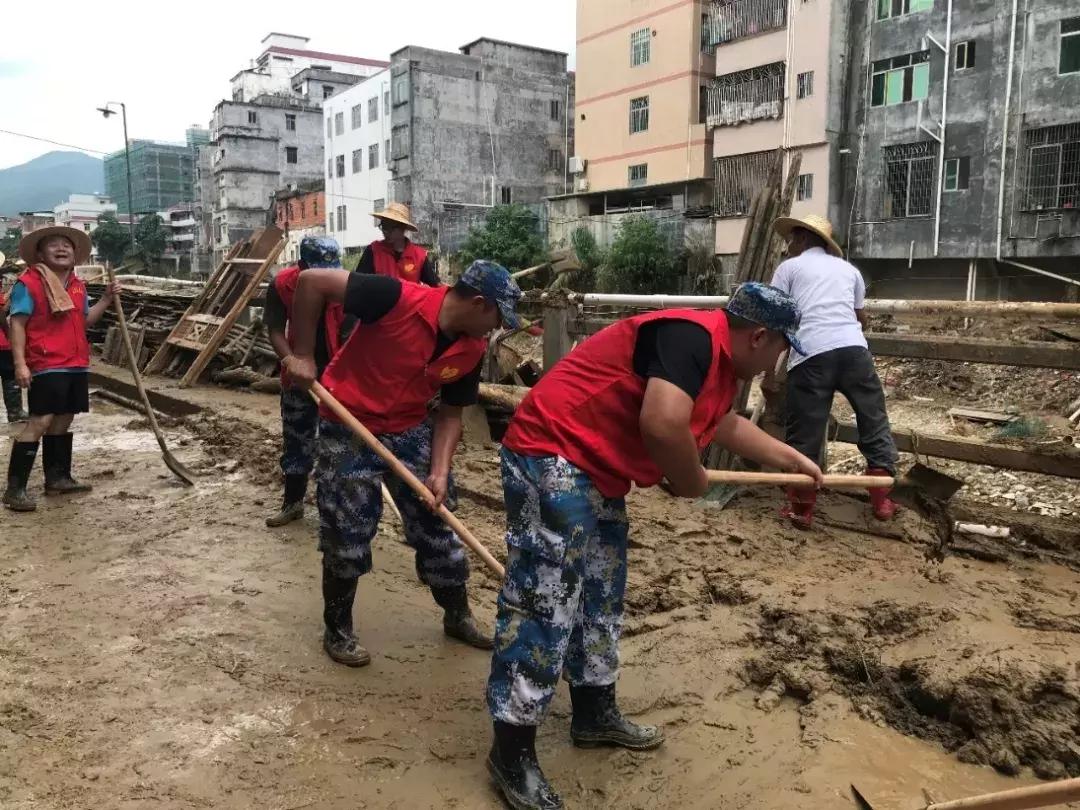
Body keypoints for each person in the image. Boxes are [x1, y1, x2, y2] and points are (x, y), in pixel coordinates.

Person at [483, 282, 825, 810]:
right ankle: (511, 750)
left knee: (600, 591)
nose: (776, 363)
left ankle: (594, 712)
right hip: (552, 451)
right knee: (545, 600)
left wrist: (790, 460)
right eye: (780, 349)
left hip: (596, 467)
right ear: (760, 336)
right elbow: (664, 424)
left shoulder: (717, 366)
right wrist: (693, 482)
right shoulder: (690, 338)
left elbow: (722, 424)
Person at [282, 260, 522, 667]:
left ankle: (457, 616)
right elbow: (310, 282)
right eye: (498, 318)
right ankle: (338, 629)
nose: (497, 329)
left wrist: (440, 470)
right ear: (480, 304)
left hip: (410, 430)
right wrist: (302, 354)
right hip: (349, 424)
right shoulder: (394, 297)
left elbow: (450, 415)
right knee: (348, 529)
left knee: (438, 522)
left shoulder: (472, 347)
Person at [770, 214, 899, 529]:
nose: (787, 246)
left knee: (807, 430)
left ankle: (801, 509)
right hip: (854, 351)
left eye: (791, 240)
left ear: (802, 239)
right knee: (873, 419)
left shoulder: (789, 269)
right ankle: (882, 501)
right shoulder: (849, 270)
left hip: (811, 353)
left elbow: (774, 312)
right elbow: (860, 317)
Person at [2, 226, 121, 512]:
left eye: (66, 244)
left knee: (64, 419)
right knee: (40, 421)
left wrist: (105, 299)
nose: (61, 248)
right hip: (45, 362)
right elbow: (17, 324)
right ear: (40, 254)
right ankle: (14, 489)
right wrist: (20, 364)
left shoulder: (77, 286)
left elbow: (84, 322)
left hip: (75, 362)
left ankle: (57, 478)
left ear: (75, 253)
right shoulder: (28, 283)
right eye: (53, 244)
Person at [263, 236, 350, 527]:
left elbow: (354, 334)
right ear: (303, 265)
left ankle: (334, 512)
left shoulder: (345, 285)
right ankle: (293, 503)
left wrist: (342, 376)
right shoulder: (282, 285)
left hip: (337, 376)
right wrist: (292, 362)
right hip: (298, 378)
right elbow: (275, 329)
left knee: (337, 445)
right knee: (297, 440)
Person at [357, 203, 439, 285]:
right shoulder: (373, 250)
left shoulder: (419, 256)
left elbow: (436, 286)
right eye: (384, 226)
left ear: (403, 228)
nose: (385, 231)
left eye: (390, 227)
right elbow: (358, 283)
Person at [1, 271, 30, 423]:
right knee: (9, 376)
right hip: (1, 343)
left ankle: (15, 412)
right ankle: (15, 412)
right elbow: (1, 313)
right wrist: (9, 333)